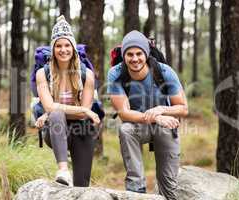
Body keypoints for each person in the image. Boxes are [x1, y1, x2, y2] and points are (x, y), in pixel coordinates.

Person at [107, 30, 188, 199]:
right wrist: (154, 117)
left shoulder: (164, 72)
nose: (135, 59)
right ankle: (136, 192)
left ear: (146, 53)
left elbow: (183, 108)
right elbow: (124, 114)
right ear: (124, 55)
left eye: (139, 53)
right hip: (138, 126)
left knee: (169, 187)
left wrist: (161, 110)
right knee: (126, 130)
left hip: (165, 128)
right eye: (129, 54)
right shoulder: (116, 73)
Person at [35, 15, 100, 187]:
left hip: (81, 130)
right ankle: (63, 170)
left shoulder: (87, 75)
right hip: (55, 130)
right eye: (58, 45)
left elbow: (81, 117)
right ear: (53, 48)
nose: (63, 49)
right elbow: (50, 107)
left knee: (81, 186)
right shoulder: (43, 74)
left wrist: (81, 112)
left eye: (67, 45)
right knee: (56, 114)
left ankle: (76, 182)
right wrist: (83, 110)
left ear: (73, 48)